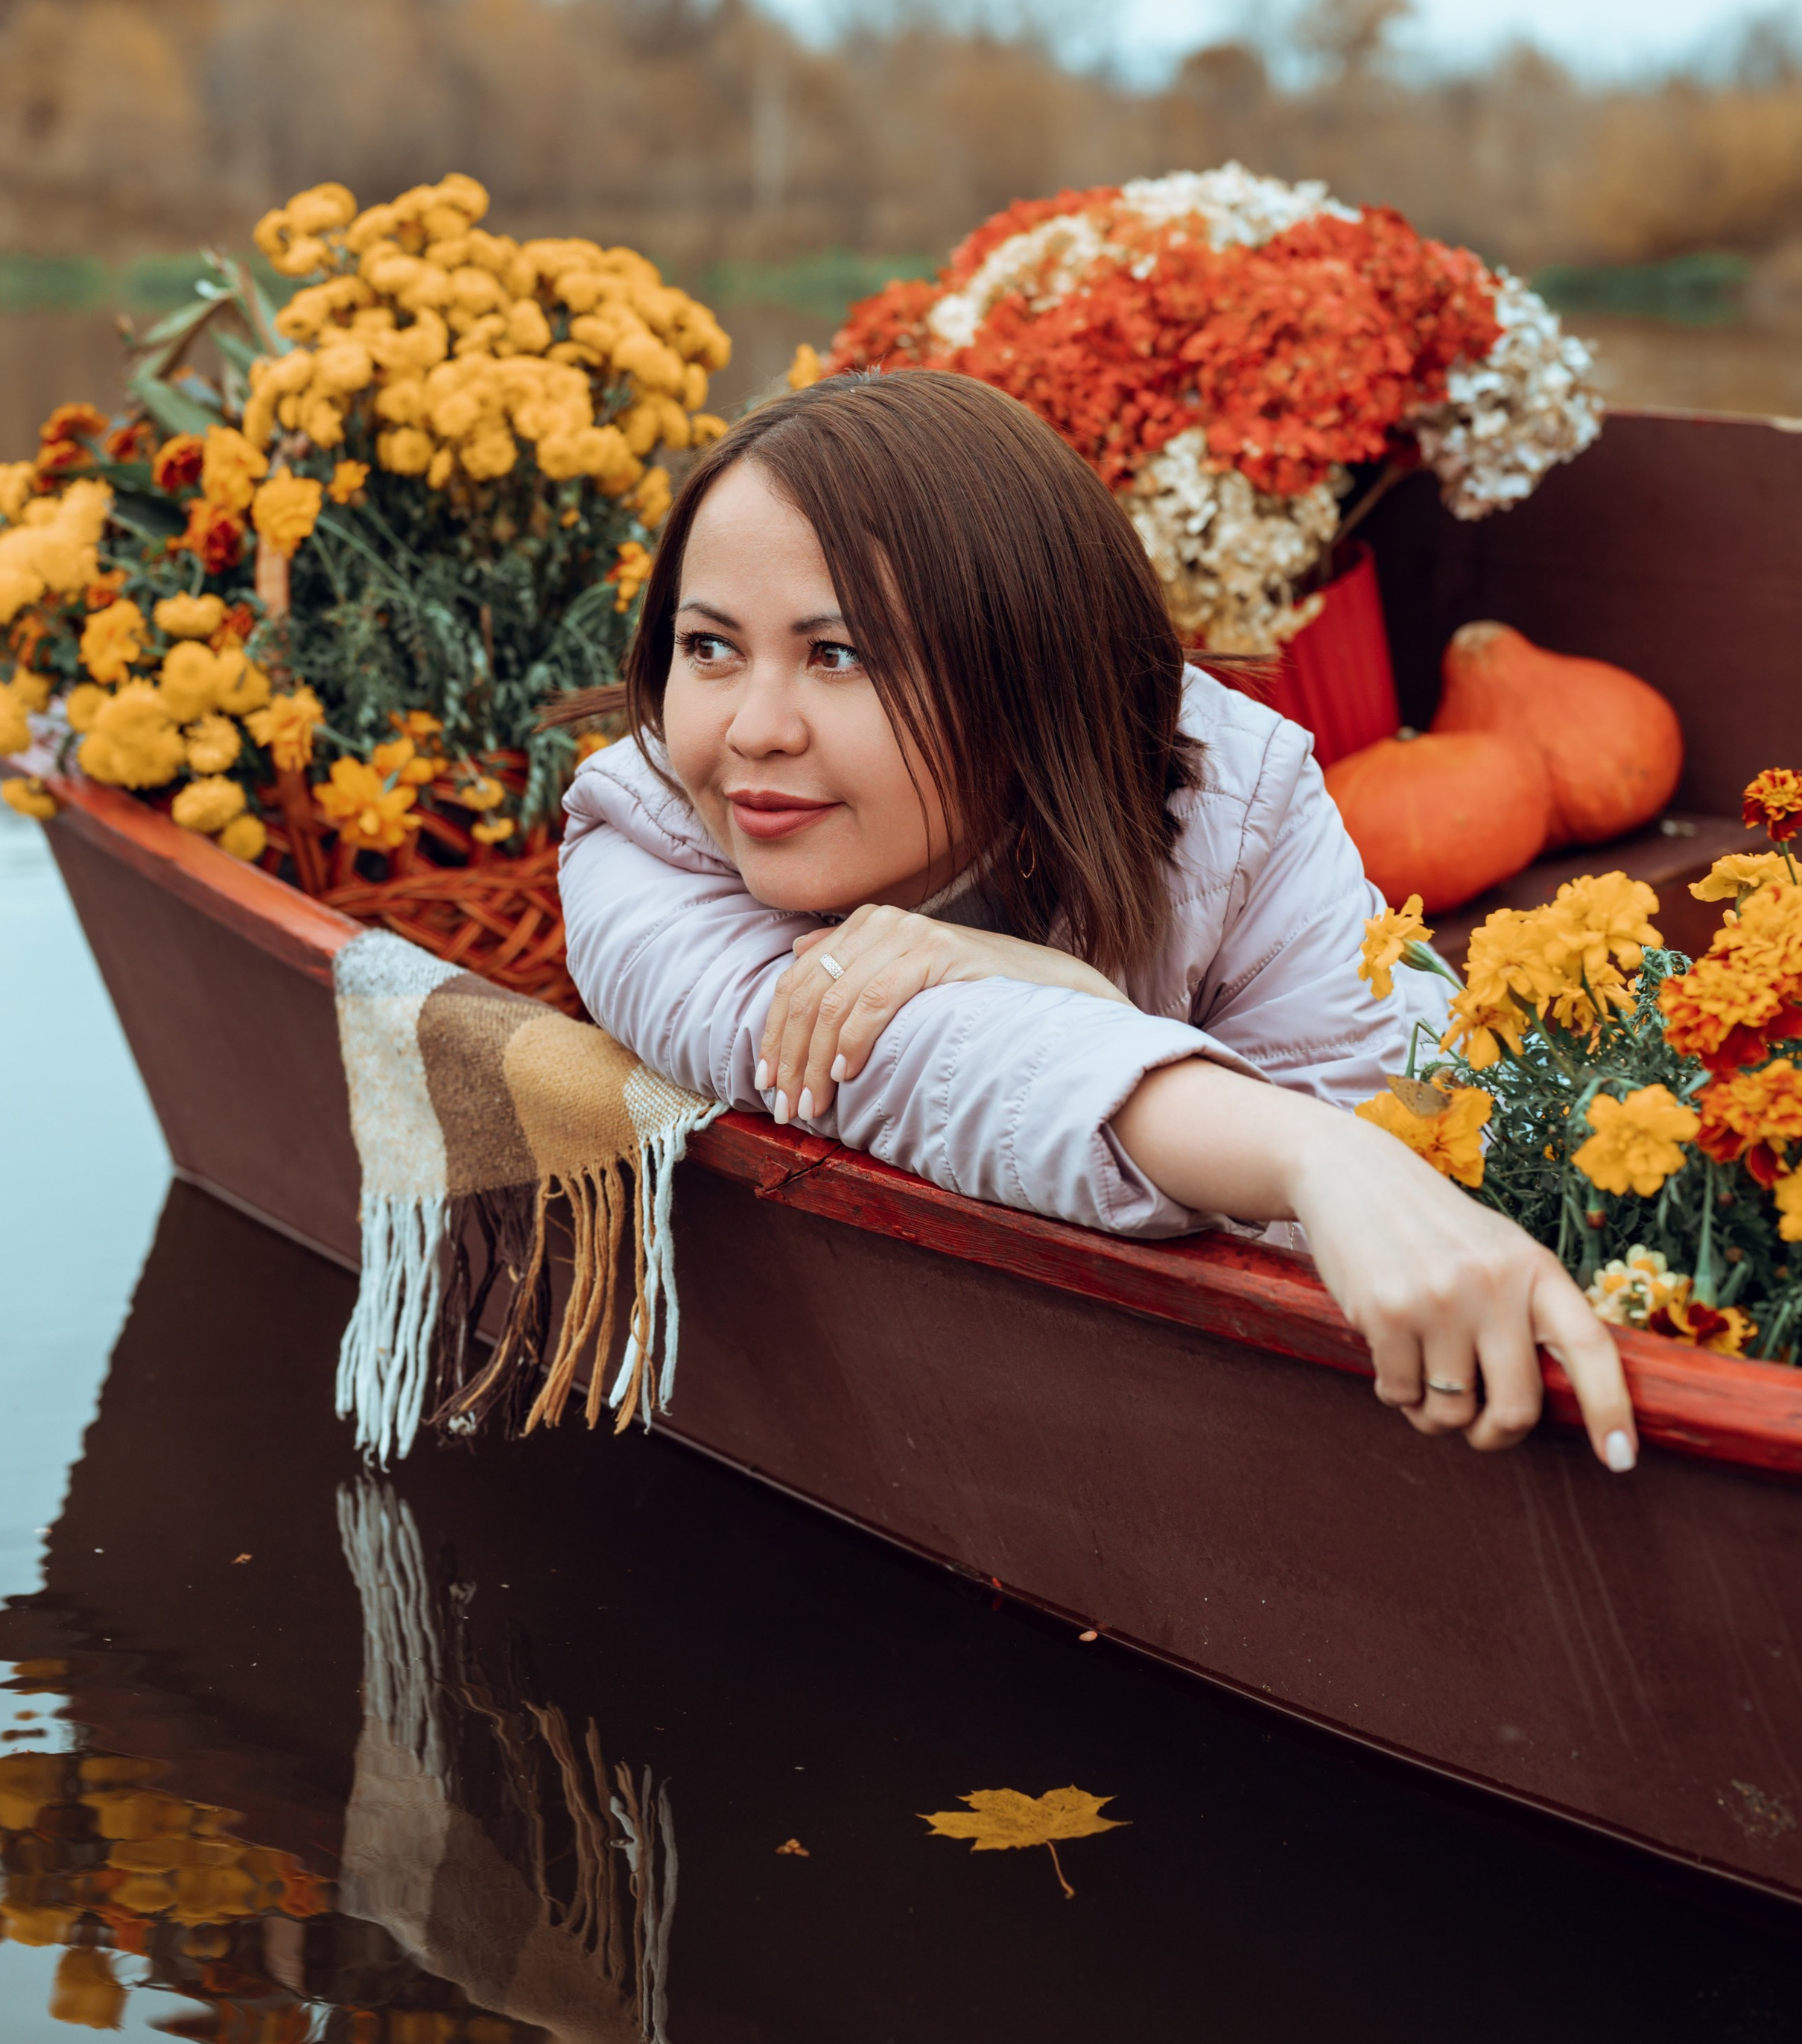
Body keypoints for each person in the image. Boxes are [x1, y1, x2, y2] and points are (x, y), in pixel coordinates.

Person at [557, 367, 1637, 1472]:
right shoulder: (639, 845)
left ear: (1025, 665)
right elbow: (919, 1058)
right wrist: (1305, 1150)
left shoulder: (1225, 798)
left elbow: (1426, 1154)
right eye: (710, 647)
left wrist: (1332, 1157)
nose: (754, 728)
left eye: (839, 655)